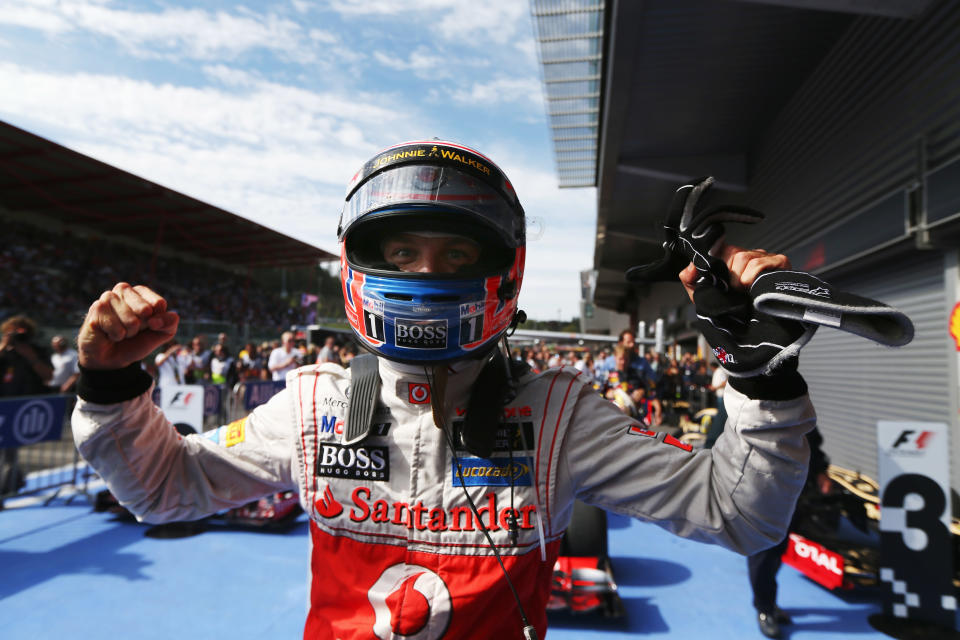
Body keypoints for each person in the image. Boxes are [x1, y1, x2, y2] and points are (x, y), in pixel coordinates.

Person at [71, 141, 816, 639]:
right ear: (360, 262)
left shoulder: (558, 414)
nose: (425, 274)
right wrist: (110, 386)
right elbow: (165, 491)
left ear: (502, 270)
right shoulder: (316, 402)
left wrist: (762, 381)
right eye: (401, 251)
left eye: (455, 252)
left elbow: (740, 515)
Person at [749, 428, 831, 639]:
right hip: (760, 491)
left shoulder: (796, 402)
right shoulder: (740, 402)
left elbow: (811, 439)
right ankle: (765, 609)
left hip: (794, 490)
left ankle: (768, 601)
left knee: (779, 550)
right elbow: (716, 444)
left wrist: (821, 471)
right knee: (763, 553)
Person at [1, 315, 53, 503]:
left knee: (9, 451)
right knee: (7, 452)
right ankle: (17, 480)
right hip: (3, 405)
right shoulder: (4, 352)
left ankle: (5, 490)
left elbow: (48, 376)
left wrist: (30, 357)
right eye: (12, 332)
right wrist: (3, 346)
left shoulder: (37, 351)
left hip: (23, 407)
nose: (16, 336)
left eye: (20, 333)